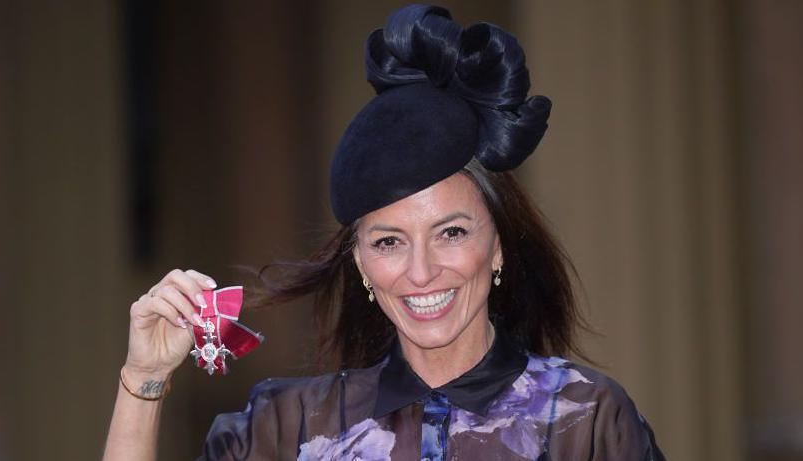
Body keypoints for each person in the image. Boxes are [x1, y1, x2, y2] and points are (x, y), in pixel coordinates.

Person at [103, 5, 666, 460]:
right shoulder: (285, 430)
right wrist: (143, 379)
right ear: (361, 265)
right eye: (388, 242)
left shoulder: (588, 423)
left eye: (450, 233)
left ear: (497, 248)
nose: (420, 272)